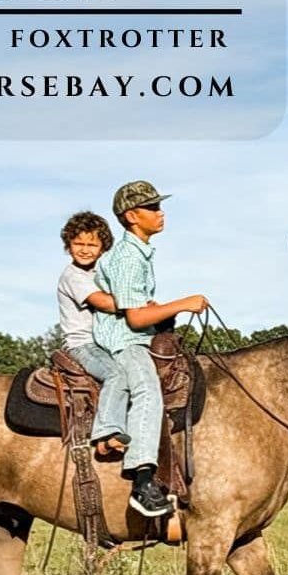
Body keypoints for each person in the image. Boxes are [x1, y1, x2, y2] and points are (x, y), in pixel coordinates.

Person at [94, 180, 210, 517]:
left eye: (159, 206)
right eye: (153, 207)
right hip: (126, 341)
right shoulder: (128, 257)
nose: (161, 213)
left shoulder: (139, 253)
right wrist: (183, 304)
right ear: (132, 216)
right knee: (147, 391)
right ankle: (142, 482)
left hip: (139, 337)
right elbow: (134, 319)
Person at [56, 211, 131, 458]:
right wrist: (139, 305)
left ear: (102, 248)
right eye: (78, 243)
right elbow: (104, 303)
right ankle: (106, 433)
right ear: (68, 245)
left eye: (92, 245)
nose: (85, 250)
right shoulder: (73, 276)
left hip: (106, 342)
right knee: (116, 374)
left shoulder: (100, 273)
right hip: (83, 345)